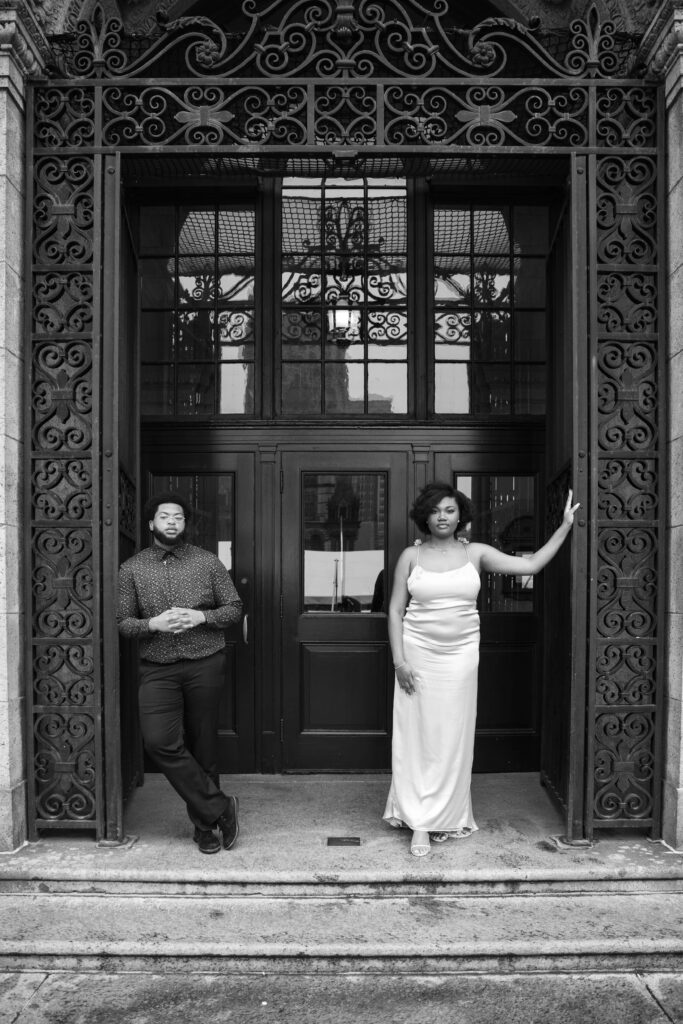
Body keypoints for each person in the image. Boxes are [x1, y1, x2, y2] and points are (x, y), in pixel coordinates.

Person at [383, 480, 580, 857]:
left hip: (460, 657)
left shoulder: (476, 553)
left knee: (451, 737)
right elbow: (394, 610)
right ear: (425, 515)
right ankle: (420, 821)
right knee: (417, 735)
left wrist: (565, 526)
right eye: (436, 510)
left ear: (461, 516)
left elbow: (531, 564)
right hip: (417, 655)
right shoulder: (411, 556)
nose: (443, 516)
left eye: (450, 510)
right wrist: (399, 662)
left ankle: (445, 814)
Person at [117, 491, 243, 855]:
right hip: (156, 668)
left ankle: (205, 828)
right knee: (158, 742)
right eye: (164, 516)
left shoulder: (207, 563)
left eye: (178, 517)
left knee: (204, 745)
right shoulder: (132, 568)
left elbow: (234, 608)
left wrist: (202, 616)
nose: (172, 521)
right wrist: (152, 624)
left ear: (185, 524)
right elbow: (123, 622)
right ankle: (221, 807)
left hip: (204, 661)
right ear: (151, 523)